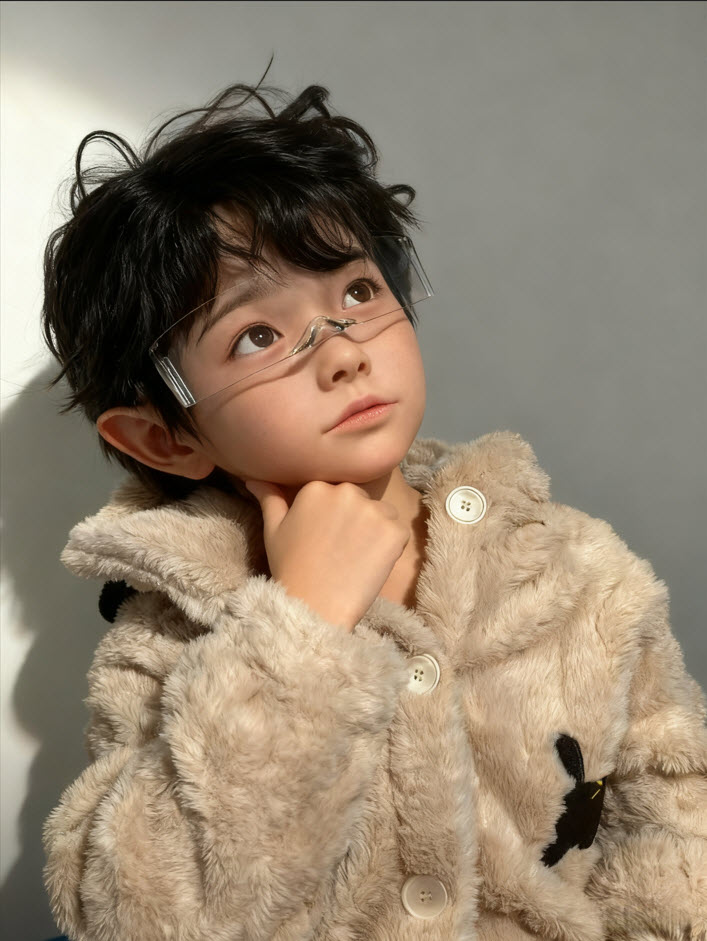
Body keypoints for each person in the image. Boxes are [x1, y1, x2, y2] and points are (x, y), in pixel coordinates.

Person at [41, 80, 707, 941]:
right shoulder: (170, 639)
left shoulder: (579, 571)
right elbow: (138, 917)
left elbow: (678, 838)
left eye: (357, 292)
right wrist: (302, 628)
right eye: (257, 335)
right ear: (164, 438)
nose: (343, 353)